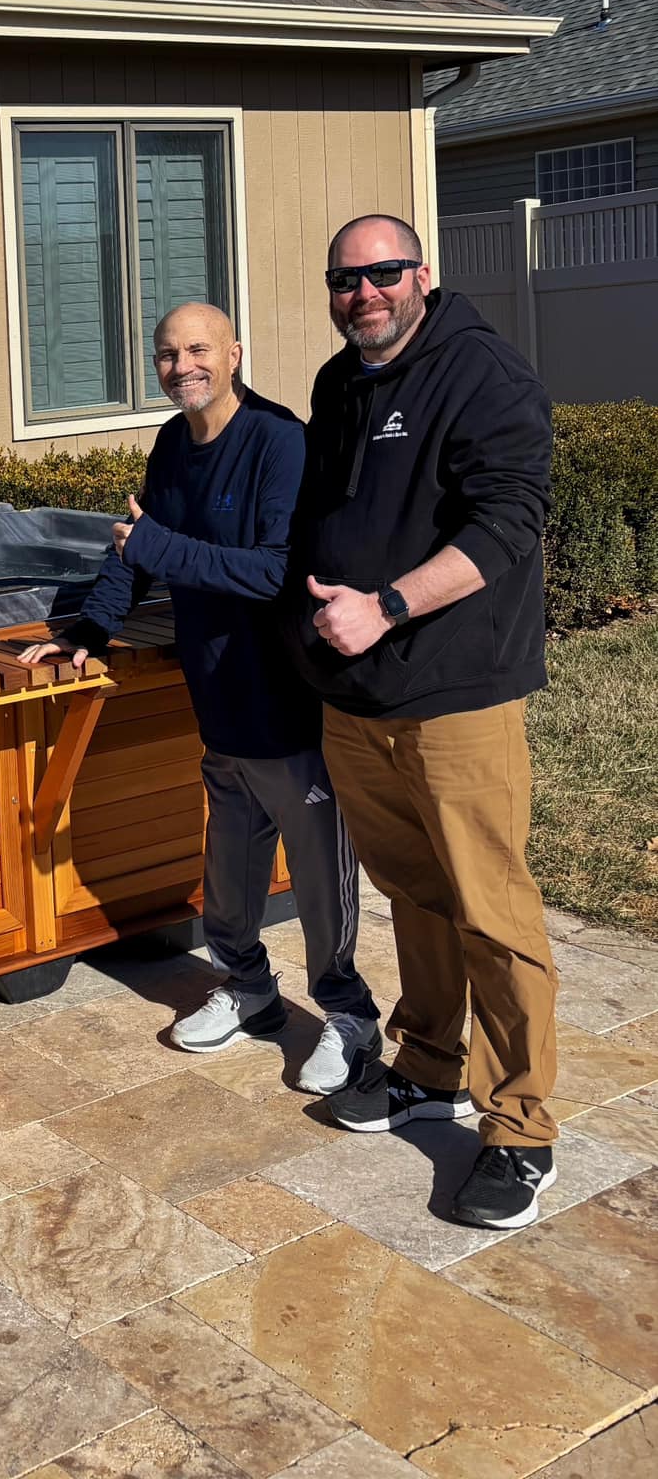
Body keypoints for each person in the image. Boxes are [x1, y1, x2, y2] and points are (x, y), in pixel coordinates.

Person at [22, 301, 380, 1095]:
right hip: (217, 700)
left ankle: (349, 1017)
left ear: (235, 354)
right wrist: (90, 630)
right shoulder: (173, 444)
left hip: (288, 704)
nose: (182, 366)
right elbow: (135, 549)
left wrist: (152, 545)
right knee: (229, 863)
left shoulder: (279, 441)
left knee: (321, 875)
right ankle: (249, 987)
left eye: (197, 350)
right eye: (166, 354)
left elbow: (270, 572)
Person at [286, 213, 558, 1231]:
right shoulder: (335, 382)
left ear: (421, 275)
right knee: (413, 892)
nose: (363, 293)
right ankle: (430, 1062)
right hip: (357, 699)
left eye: (382, 273)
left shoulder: (482, 374)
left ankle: (521, 1125)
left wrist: (386, 606)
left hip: (454, 697)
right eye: (344, 278)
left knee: (492, 910)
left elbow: (506, 524)